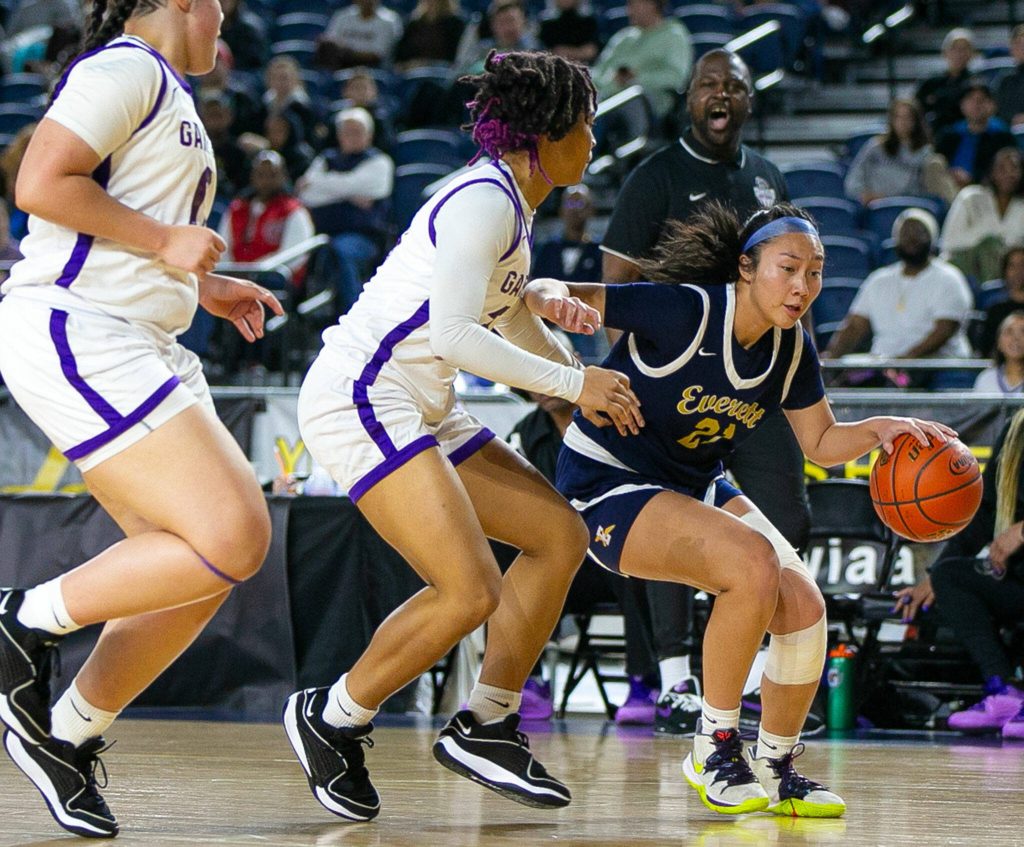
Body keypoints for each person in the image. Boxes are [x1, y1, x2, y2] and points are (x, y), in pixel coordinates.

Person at [282, 50, 642, 821]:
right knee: (470, 589)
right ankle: (333, 715)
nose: (594, 141)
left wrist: (579, 377)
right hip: (363, 394)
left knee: (558, 535)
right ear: (546, 134)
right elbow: (453, 335)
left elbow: (506, 321)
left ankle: (487, 722)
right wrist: (576, 386)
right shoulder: (484, 200)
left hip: (423, 403)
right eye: (585, 126)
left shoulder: (512, 204)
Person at [527, 201, 953, 816]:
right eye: (789, 268)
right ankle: (713, 747)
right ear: (746, 269)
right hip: (607, 481)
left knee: (805, 608)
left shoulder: (791, 347)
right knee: (752, 564)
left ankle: (776, 766)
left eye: (815, 272)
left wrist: (881, 428)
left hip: (693, 483)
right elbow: (547, 289)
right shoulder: (690, 310)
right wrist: (554, 303)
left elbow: (821, 442)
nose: (803, 285)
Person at [0, 0, 285, 839]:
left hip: (141, 335)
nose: (224, 21)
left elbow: (120, 220)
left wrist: (198, 283)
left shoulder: (163, 87)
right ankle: (22, 620)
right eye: (219, 4)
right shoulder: (124, 67)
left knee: (198, 567)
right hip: (81, 328)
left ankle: (65, 734)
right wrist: (166, 243)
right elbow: (40, 184)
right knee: (235, 534)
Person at [600, 48, 801, 738]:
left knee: (787, 513)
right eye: (709, 84)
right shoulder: (656, 176)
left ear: (749, 99)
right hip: (675, 379)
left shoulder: (768, 177)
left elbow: (789, 276)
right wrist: (626, 375)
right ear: (689, 98)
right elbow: (616, 283)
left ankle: (746, 676)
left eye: (734, 85)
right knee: (673, 522)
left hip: (751, 381)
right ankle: (675, 681)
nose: (721, 94)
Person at [894, 409, 1024, 739]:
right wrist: (933, 577)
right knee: (951, 576)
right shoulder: (1016, 430)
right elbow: (985, 514)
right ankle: (1005, 692)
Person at [824, 208, 974, 362]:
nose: (911, 238)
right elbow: (855, 326)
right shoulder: (879, 279)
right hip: (884, 363)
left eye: (919, 232)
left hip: (935, 364)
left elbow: (944, 330)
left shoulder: (949, 278)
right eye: (905, 233)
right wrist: (831, 358)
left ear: (932, 238)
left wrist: (905, 361)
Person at [297, 107, 394, 316]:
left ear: (369, 134)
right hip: (319, 236)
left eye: (357, 131)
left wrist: (324, 186)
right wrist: (350, 194)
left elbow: (374, 189)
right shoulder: (326, 159)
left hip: (363, 237)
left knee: (340, 250)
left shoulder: (380, 162)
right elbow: (306, 195)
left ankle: (353, 314)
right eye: (346, 132)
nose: (351, 136)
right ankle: (303, 318)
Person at [531, 184, 605, 360]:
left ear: (591, 210)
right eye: (569, 204)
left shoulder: (598, 250)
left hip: (584, 326)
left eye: (580, 204)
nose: (574, 210)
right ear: (561, 209)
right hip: (549, 324)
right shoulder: (548, 248)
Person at [591, 0, 692, 123]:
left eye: (633, 5)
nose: (629, 11)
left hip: (646, 102)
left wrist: (635, 79)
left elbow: (676, 78)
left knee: (631, 101)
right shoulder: (623, 38)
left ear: (652, 5)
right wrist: (610, 80)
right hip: (607, 97)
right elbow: (598, 71)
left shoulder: (674, 35)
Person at [843, 98, 954, 206]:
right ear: (892, 120)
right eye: (898, 117)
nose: (903, 122)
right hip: (874, 206)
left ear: (916, 121)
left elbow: (921, 190)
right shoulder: (875, 147)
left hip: (910, 206)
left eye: (908, 117)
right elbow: (853, 180)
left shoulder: (925, 152)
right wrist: (864, 195)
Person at [940, 145, 1024, 284]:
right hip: (970, 264)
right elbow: (949, 242)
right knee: (989, 246)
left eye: (1014, 168)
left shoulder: (1021, 205)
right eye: (1002, 168)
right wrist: (988, 238)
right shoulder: (970, 197)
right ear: (992, 171)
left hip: (1013, 270)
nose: (1008, 174)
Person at [935, 78, 1016, 190]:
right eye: (971, 99)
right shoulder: (949, 134)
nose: (976, 105)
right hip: (947, 188)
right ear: (962, 105)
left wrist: (971, 180)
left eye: (981, 100)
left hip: (985, 191)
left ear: (992, 105)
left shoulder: (1002, 137)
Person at [915, 27, 975, 136]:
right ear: (945, 52)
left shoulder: (977, 83)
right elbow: (917, 109)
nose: (959, 54)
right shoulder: (930, 83)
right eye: (954, 49)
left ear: (971, 53)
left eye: (964, 49)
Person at [317, 0, 404, 70]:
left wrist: (347, 51)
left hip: (374, 67)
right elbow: (330, 41)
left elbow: (378, 55)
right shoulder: (342, 16)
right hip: (341, 65)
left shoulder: (389, 20)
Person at [973, 246, 1024, 357]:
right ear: (1005, 271)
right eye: (1012, 266)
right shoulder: (996, 310)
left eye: (1022, 265)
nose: (1018, 271)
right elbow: (986, 348)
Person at [393, 0, 466, 69]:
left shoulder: (455, 25)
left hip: (442, 72)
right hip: (412, 72)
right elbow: (399, 59)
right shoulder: (414, 25)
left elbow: (456, 60)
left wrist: (426, 64)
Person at [973, 311, 1024, 394]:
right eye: (1009, 332)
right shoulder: (986, 378)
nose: (1016, 338)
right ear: (999, 342)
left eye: (1023, 332)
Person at [537, 0, 601, 65]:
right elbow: (543, 52)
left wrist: (571, 52)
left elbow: (591, 51)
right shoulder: (546, 25)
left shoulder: (589, 22)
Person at [996, 24, 1024, 130]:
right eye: (1018, 44)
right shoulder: (1006, 81)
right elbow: (999, 110)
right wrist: (1013, 119)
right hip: (1010, 132)